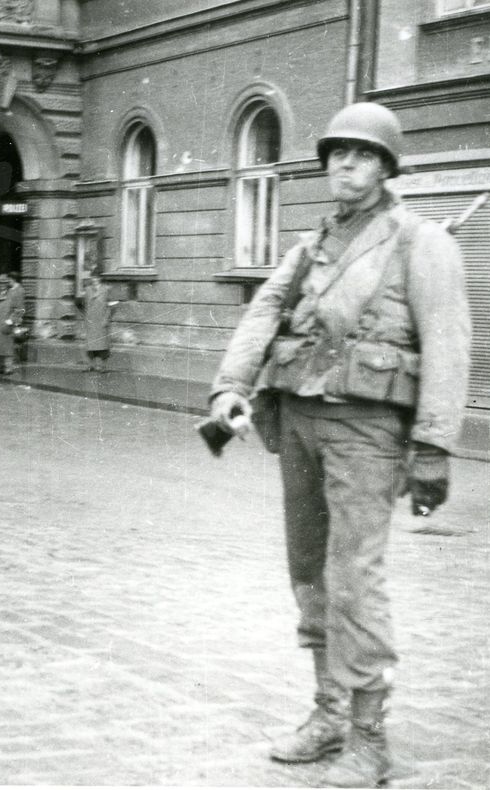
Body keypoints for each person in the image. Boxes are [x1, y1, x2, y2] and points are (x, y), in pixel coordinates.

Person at [208, 103, 471, 788]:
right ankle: (327, 713)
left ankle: (368, 737)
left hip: (368, 427)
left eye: (359, 155)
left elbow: (448, 344)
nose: (344, 165)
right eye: (335, 154)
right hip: (298, 415)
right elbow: (264, 309)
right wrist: (229, 386)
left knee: (355, 576)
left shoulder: (422, 242)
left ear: (386, 166)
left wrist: (435, 444)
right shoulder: (313, 243)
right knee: (308, 569)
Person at [77, 273, 120, 372]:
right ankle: (90, 365)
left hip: (102, 321)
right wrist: (85, 315)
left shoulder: (106, 289)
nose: (95, 279)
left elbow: (113, 306)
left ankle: (102, 367)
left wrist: (107, 318)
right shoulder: (87, 289)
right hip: (91, 321)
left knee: (103, 345)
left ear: (100, 278)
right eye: (93, 277)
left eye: (97, 277)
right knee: (90, 345)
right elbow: (78, 302)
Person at [0, 273, 24, 377]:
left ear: (7, 284)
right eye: (0, 283)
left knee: (7, 347)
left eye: (4, 283)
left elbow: (20, 310)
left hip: (6, 324)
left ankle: (8, 367)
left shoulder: (13, 294)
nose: (2, 285)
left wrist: (11, 321)